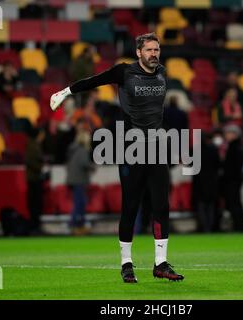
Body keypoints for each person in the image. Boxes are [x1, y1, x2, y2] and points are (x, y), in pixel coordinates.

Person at [50, 33, 184, 283]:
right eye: (149, 50)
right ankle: (126, 264)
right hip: (131, 149)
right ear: (138, 52)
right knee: (130, 207)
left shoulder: (163, 72)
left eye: (157, 50)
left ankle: (161, 263)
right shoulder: (124, 72)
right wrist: (65, 92)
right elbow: (94, 81)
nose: (154, 54)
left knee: (161, 206)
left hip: (156, 148)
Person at [66, 125, 94, 236]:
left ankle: (75, 224)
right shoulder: (82, 150)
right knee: (80, 204)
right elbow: (84, 164)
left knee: (78, 203)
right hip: (79, 180)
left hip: (73, 179)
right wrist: (92, 167)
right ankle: (75, 225)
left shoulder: (73, 149)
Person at [192, 132, 221, 233]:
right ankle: (211, 226)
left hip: (199, 182)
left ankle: (204, 227)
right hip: (212, 181)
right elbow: (218, 164)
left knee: (201, 206)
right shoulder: (213, 150)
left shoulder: (195, 151)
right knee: (210, 206)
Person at [222, 124, 243, 232]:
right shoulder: (238, 147)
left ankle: (238, 226)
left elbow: (231, 167)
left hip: (232, 180)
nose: (226, 135)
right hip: (236, 180)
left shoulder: (234, 148)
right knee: (236, 203)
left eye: (228, 133)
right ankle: (239, 225)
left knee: (234, 203)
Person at [25, 127, 46, 235]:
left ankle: (36, 226)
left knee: (36, 204)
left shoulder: (35, 145)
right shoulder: (32, 146)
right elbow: (30, 161)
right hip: (33, 179)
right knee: (34, 204)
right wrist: (41, 167)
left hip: (35, 178)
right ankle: (34, 227)